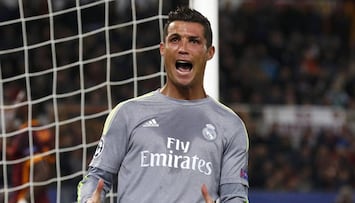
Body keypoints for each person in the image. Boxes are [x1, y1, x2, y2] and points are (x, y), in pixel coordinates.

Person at [77, 6, 249, 203]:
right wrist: (88, 200)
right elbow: (95, 178)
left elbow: (235, 196)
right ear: (163, 49)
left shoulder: (230, 125)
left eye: (193, 41)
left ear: (209, 52)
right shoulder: (128, 114)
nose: (183, 48)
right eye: (175, 39)